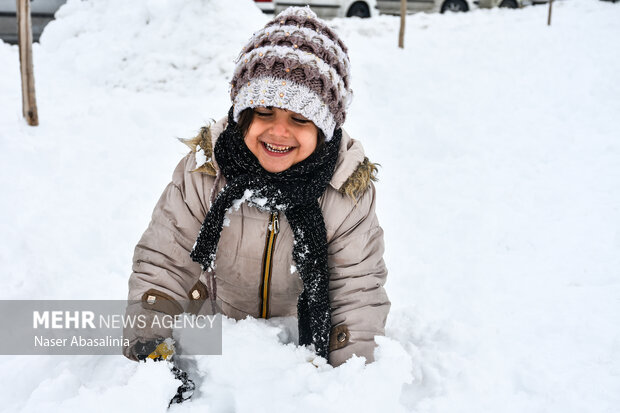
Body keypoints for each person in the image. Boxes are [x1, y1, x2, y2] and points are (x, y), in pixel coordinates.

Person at [123, 6, 390, 368]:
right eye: (264, 112)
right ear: (242, 114)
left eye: (299, 119)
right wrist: (151, 347)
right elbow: (164, 265)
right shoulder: (206, 172)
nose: (278, 132)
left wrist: (348, 379)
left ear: (324, 130)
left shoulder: (344, 191)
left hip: (296, 349)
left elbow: (356, 294)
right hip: (214, 341)